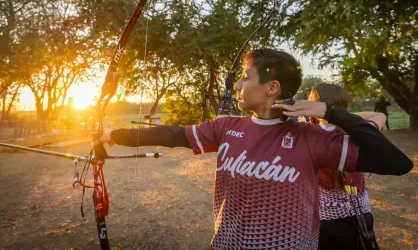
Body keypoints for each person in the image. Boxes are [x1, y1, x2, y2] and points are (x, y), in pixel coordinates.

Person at [96, 48, 413, 250]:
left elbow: (397, 163)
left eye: (245, 78)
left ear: (272, 88)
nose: (237, 85)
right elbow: (174, 134)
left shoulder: (310, 138)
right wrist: (116, 134)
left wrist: (331, 113)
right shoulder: (225, 126)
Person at [308, 83, 384, 250]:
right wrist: (342, 115)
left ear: (317, 104)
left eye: (310, 99)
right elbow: (378, 115)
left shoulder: (309, 134)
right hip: (361, 216)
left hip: (325, 221)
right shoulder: (358, 132)